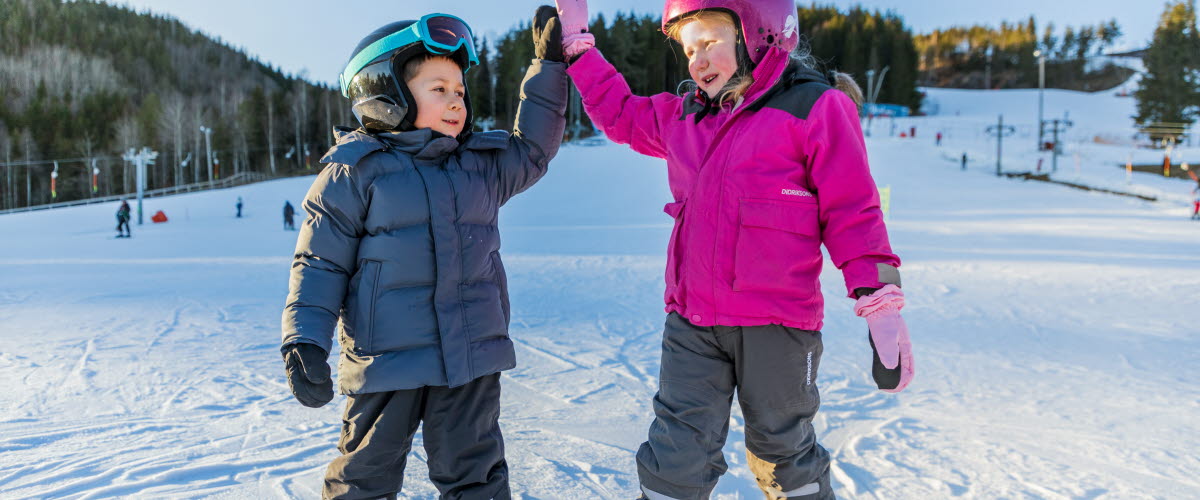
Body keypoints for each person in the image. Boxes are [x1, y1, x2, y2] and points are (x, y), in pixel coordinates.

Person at [555, 1, 913, 498]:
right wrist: (579, 49)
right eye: (688, 49)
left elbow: (853, 208)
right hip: (692, 323)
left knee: (782, 450)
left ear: (757, 34)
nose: (696, 60)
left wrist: (879, 298)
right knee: (675, 452)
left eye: (709, 43)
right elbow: (619, 113)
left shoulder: (813, 107)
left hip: (778, 324)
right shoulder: (685, 117)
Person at [280, 9, 567, 500]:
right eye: (438, 89)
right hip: (387, 361)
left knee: (476, 475)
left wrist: (551, 67)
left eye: (459, 90)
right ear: (385, 94)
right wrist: (304, 340)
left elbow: (535, 149)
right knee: (364, 476)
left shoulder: (479, 166)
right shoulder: (356, 171)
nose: (456, 101)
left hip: (470, 359)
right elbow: (319, 263)